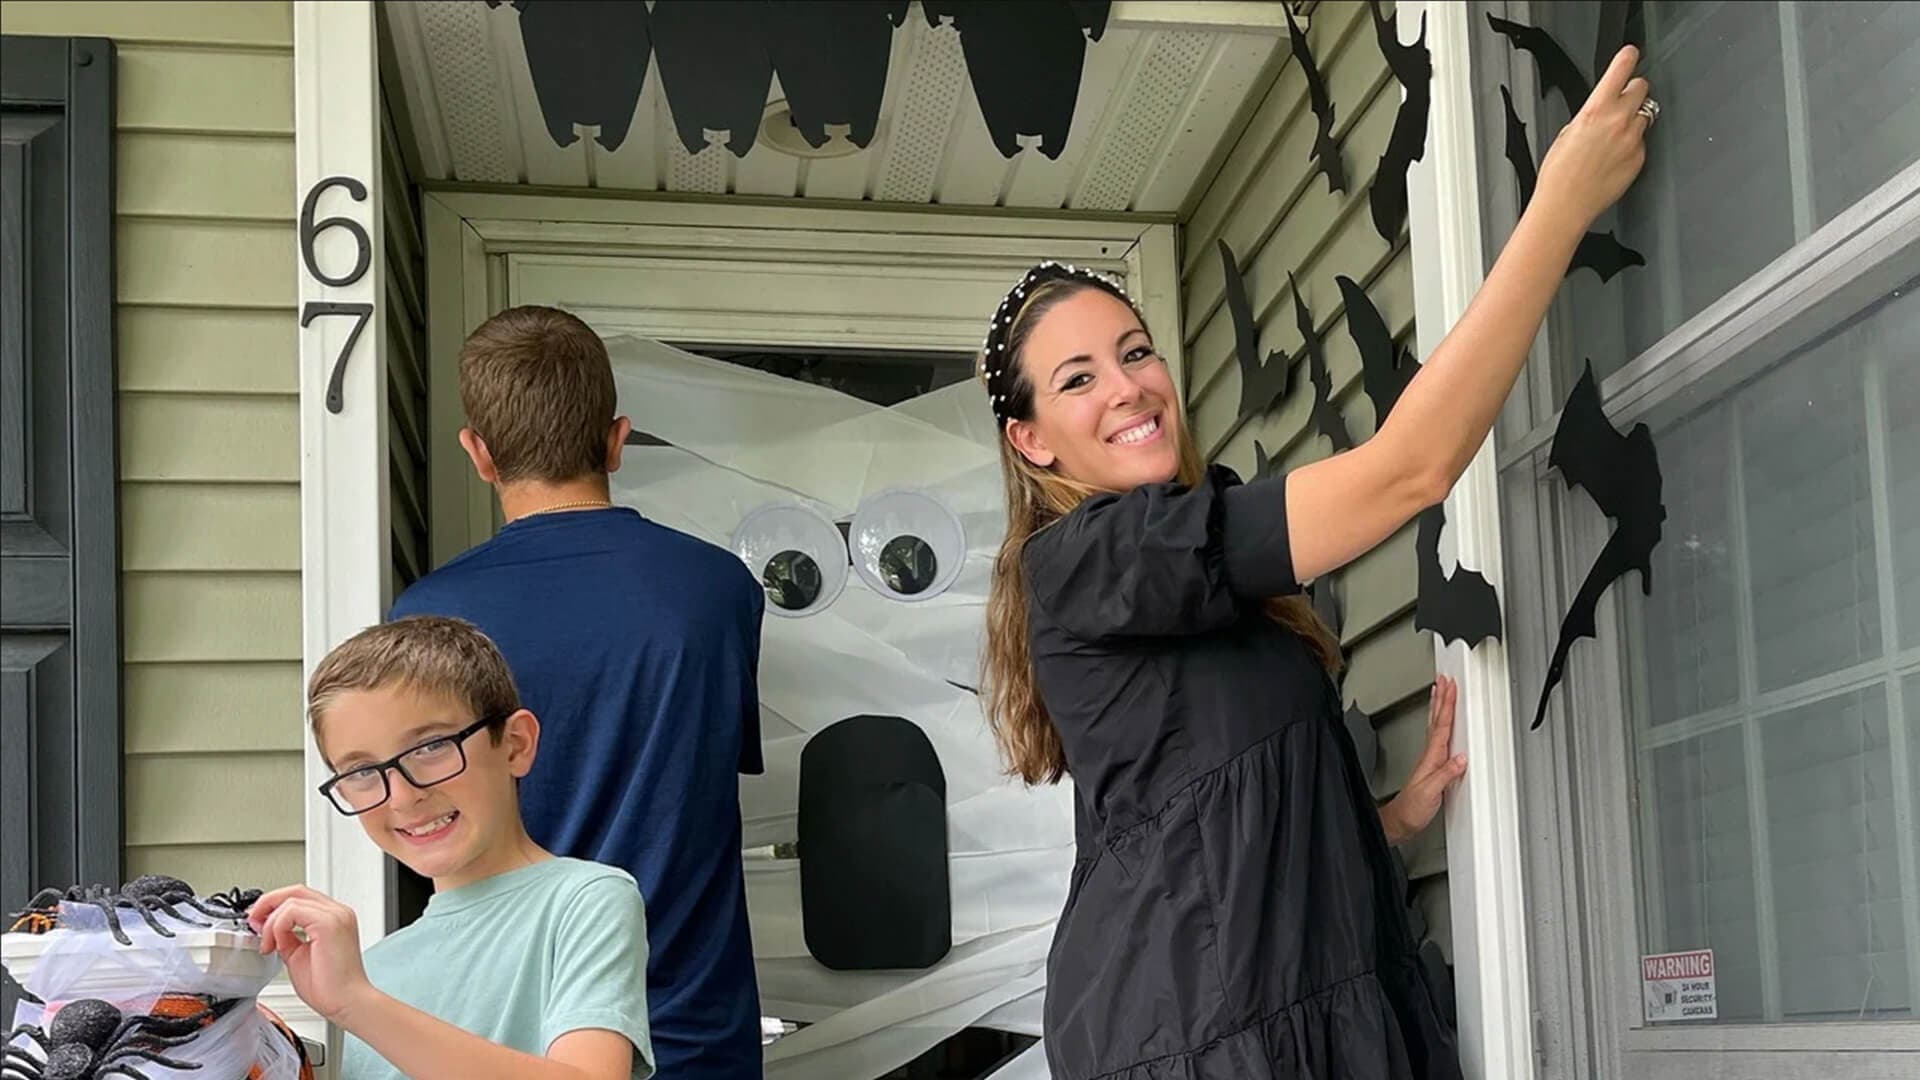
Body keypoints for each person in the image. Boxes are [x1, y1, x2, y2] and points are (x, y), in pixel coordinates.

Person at [976, 48, 1656, 1080]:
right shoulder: (1090, 562)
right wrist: (1558, 206)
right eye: (1077, 379)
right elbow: (1410, 472)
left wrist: (1388, 816)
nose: (1129, 385)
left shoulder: (1195, 559)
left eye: (1136, 350)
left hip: (1285, 1012)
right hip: (1201, 1043)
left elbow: (1212, 838)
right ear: (1034, 443)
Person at [387, 306, 766, 1078]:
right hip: (690, 1031)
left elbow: (425, 827)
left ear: (479, 453)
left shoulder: (423, 621)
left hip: (505, 1033)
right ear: (616, 440)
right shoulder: (719, 591)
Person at [251, 615, 653, 1080]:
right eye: (361, 772)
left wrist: (357, 1003)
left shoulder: (584, 900)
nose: (403, 795)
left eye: (431, 747)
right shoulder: (372, 969)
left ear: (516, 744)